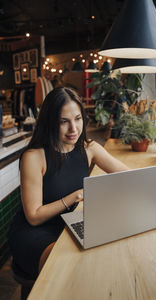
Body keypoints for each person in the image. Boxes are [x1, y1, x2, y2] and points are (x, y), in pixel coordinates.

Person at [8, 87, 129, 280]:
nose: (74, 129)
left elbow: (129, 178)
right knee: (68, 268)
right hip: (35, 232)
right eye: (64, 121)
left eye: (78, 119)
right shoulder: (34, 157)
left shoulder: (90, 149)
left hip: (73, 222)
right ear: (50, 122)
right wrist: (75, 196)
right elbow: (33, 216)